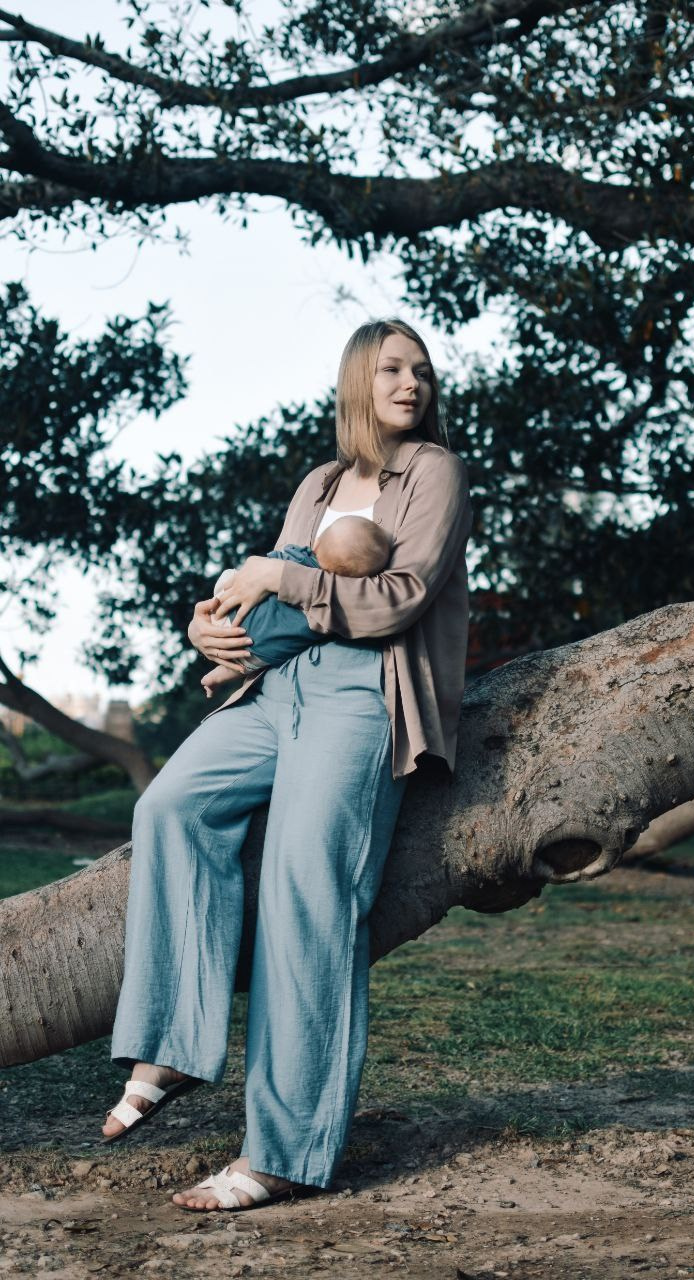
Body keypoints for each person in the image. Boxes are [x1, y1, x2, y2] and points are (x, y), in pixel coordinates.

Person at [102, 318, 473, 1213]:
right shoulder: (318, 482)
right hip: (277, 686)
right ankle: (175, 1046)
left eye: (421, 371)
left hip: (361, 691)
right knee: (171, 809)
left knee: (307, 893)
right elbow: (273, 599)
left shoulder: (434, 473)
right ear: (356, 380)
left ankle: (282, 1153)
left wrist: (278, 576)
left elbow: (398, 600)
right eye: (391, 368)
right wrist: (213, 633)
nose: (410, 383)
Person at [201, 516, 393, 696]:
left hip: (226, 611)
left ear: (317, 543)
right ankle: (218, 675)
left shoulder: (298, 556)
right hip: (250, 650)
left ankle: (218, 605)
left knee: (235, 576)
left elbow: (267, 562)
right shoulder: (325, 607)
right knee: (267, 653)